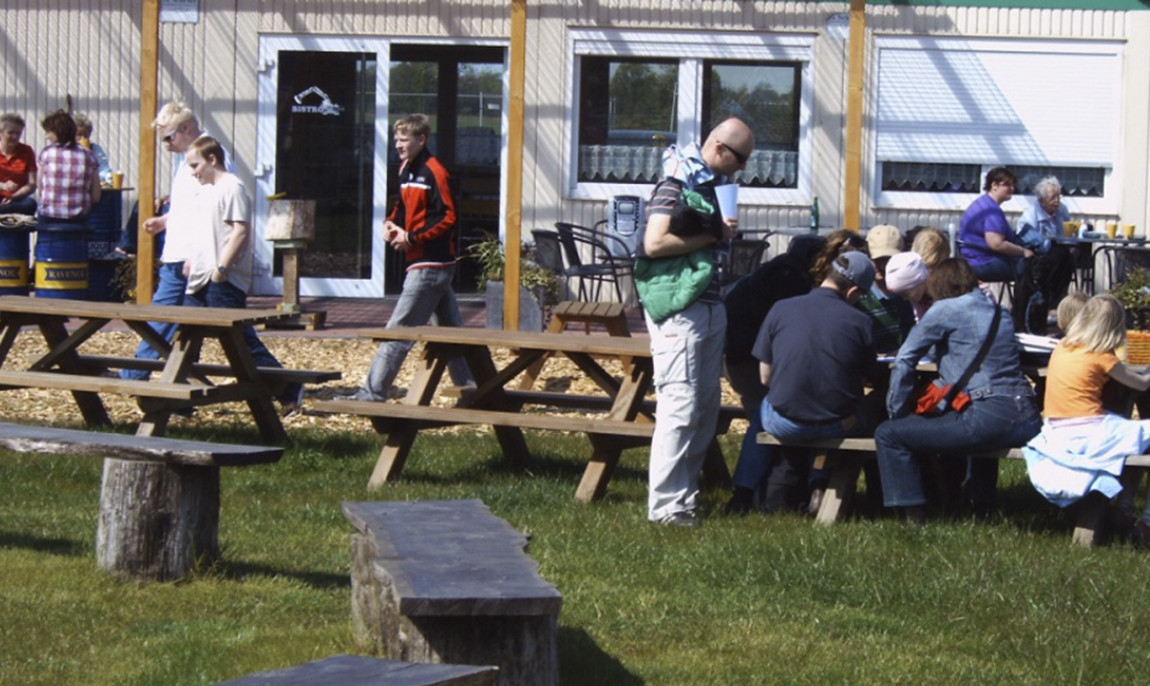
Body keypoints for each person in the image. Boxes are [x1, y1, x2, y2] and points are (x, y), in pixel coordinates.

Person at [638, 117, 752, 527]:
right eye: (740, 158)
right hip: (680, 307)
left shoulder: (712, 185)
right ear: (719, 147)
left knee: (704, 407)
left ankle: (685, 499)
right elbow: (654, 243)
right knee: (680, 405)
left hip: (709, 303)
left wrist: (720, 234)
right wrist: (715, 236)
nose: (742, 168)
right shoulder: (676, 181)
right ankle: (667, 508)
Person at [874, 258, 1042, 523]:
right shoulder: (1000, 312)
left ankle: (914, 516)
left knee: (888, 433)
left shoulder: (944, 309)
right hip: (1027, 417)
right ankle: (980, 505)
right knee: (975, 425)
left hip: (986, 417)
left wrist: (897, 411)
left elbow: (906, 358)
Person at [347, 114, 472, 402]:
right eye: (396, 139)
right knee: (452, 335)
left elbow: (449, 217)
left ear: (421, 139)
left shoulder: (435, 171)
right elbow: (401, 207)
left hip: (431, 265)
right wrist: (391, 223)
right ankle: (472, 389)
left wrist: (412, 238)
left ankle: (372, 392)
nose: (398, 144)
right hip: (424, 264)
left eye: (404, 139)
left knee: (398, 331)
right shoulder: (405, 168)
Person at [752, 252, 887, 513]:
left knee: (770, 405)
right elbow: (871, 377)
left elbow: (765, 377)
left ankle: (752, 490)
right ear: (853, 291)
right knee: (865, 408)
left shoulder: (781, 308)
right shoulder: (860, 322)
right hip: (838, 424)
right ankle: (822, 481)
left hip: (784, 423)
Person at [181, 136, 302, 412]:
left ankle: (287, 387)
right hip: (199, 279)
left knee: (241, 343)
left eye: (196, 165)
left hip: (221, 281)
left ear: (213, 159)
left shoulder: (232, 187)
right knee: (186, 339)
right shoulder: (208, 191)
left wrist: (221, 269)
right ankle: (182, 398)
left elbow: (240, 232)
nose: (193, 172)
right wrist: (193, 260)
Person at [1022, 295, 1150, 541]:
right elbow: (1141, 384)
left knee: (1137, 441)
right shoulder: (1102, 355)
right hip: (1088, 433)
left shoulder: (1063, 346)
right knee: (1141, 440)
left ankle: (1124, 510)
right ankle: (1144, 519)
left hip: (1056, 430)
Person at [121, 101, 233, 381]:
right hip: (181, 255)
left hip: (191, 258)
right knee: (191, 328)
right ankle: (178, 380)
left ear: (186, 128)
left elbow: (214, 209)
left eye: (169, 137)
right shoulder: (186, 160)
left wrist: (198, 254)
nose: (166, 144)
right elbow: (190, 206)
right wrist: (164, 221)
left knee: (165, 318)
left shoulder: (210, 157)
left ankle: (134, 375)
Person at [720, 234, 823, 515]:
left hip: (738, 353)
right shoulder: (790, 279)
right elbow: (788, 330)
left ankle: (753, 492)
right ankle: (763, 493)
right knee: (767, 418)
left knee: (767, 417)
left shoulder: (774, 271)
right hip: (750, 358)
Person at [1014, 176, 1075, 335]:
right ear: (1041, 200)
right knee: (1056, 259)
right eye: (1052, 197)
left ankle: (1056, 305)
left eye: (1059, 196)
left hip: (1056, 256)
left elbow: (1066, 236)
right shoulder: (1030, 215)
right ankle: (1048, 308)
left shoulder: (1062, 210)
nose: (1057, 201)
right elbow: (1026, 239)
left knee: (1067, 258)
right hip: (1035, 256)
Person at [958, 166, 1033, 284]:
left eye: (1013, 185)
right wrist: (1023, 251)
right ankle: (1031, 296)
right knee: (1032, 266)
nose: (1012, 188)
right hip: (982, 262)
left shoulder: (983, 203)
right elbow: (997, 244)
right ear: (994, 185)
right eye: (1007, 185)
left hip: (972, 259)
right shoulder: (992, 211)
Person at [35, 110, 101, 229]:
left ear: (57, 132)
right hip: (79, 217)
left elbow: (40, 189)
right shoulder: (89, 155)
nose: (47, 136)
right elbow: (96, 196)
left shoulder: (46, 153)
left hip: (50, 215)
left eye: (48, 132)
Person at [857, 225, 914, 355]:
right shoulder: (859, 298)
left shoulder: (911, 294)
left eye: (888, 259)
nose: (882, 265)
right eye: (877, 259)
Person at [0, 112, 38, 216]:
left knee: (30, 203)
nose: (15, 137)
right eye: (10, 133)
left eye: (18, 133)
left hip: (16, 199)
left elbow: (32, 184)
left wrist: (14, 196)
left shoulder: (27, 151)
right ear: (1, 133)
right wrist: (2, 186)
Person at [885, 251, 933, 322]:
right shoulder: (919, 301)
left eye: (905, 294)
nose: (904, 298)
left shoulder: (942, 297)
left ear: (918, 281)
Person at [72, 113, 113, 185]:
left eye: (86, 135)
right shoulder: (69, 151)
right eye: (79, 135)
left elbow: (104, 170)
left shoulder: (96, 149)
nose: (83, 138)